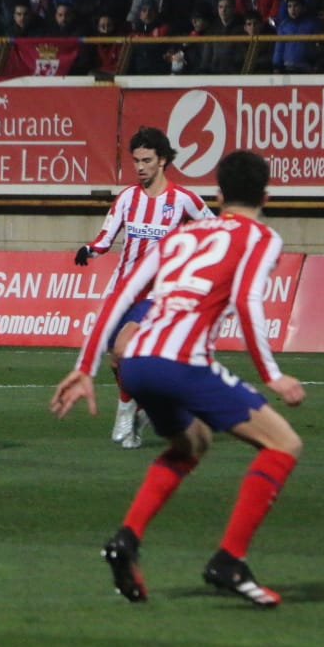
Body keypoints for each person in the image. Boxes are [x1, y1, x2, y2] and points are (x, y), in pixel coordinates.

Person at [51, 149, 305, 608]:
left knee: (192, 444)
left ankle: (125, 540)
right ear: (266, 195)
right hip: (182, 361)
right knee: (284, 444)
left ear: (219, 194)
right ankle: (229, 559)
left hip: (138, 361)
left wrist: (86, 367)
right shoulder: (261, 237)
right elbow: (247, 302)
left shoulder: (181, 234)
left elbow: (121, 295)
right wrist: (273, 374)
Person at [72, 127, 213, 450]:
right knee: (116, 360)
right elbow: (105, 238)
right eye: (136, 160)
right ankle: (139, 409)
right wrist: (89, 249)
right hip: (120, 291)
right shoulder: (127, 198)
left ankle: (125, 412)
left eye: (147, 160)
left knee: (125, 349)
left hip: (157, 295)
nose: (140, 167)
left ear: (162, 161)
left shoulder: (184, 200)